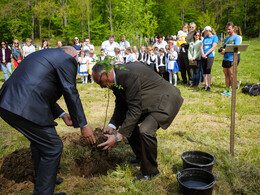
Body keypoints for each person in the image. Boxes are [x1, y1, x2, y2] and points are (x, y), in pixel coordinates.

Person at [0, 46, 95, 195]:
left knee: (40, 143)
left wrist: (63, 114)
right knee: (53, 147)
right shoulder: (66, 59)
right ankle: (43, 192)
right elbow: (70, 91)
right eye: (76, 59)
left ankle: (44, 179)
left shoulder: (44, 55)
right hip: (25, 107)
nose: (75, 62)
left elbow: (39, 87)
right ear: (72, 55)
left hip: (7, 102)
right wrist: (83, 124)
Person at [91, 62, 183, 181]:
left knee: (145, 130)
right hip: (150, 101)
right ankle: (141, 157)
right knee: (127, 123)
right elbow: (121, 104)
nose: (101, 87)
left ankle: (150, 171)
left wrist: (118, 137)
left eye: (99, 82)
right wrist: (112, 125)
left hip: (166, 100)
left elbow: (134, 110)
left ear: (105, 74)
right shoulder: (116, 77)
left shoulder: (127, 75)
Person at [220, 22, 241, 96]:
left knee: (231, 74)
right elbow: (224, 47)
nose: (228, 31)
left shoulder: (237, 37)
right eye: (227, 29)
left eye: (229, 29)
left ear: (233, 29)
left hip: (233, 58)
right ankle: (227, 89)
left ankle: (233, 90)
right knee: (226, 75)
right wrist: (222, 51)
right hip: (226, 58)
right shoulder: (227, 39)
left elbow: (237, 47)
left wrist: (226, 50)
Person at [200, 26, 218, 91]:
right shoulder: (205, 38)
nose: (204, 33)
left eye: (204, 32)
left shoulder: (214, 37)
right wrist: (203, 54)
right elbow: (201, 46)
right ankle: (206, 84)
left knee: (208, 70)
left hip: (210, 55)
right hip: (203, 55)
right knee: (204, 71)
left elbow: (213, 47)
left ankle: (209, 86)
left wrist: (206, 54)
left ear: (208, 31)